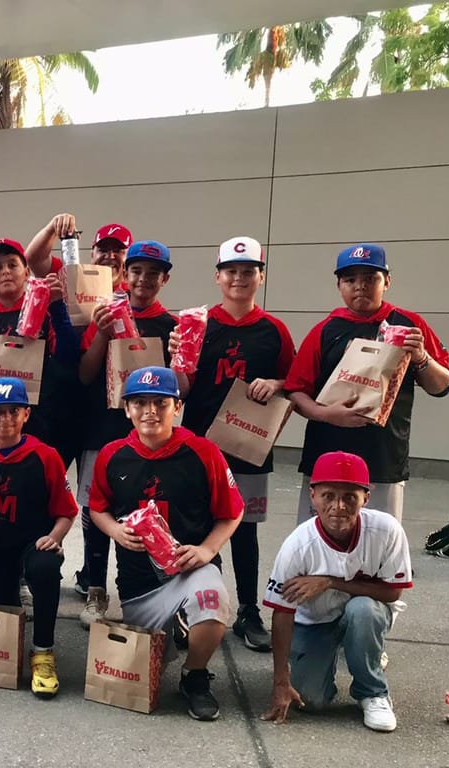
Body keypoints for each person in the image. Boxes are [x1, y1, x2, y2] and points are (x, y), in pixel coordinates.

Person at [89, 366, 244, 721]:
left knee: (212, 601)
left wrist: (207, 550)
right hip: (138, 584)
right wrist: (114, 530)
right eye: (140, 403)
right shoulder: (112, 455)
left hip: (189, 571)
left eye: (160, 402)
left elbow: (232, 511)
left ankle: (195, 675)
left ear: (177, 407)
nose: (150, 411)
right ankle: (176, 629)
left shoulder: (203, 452)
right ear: (126, 408)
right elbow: (97, 508)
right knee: (144, 663)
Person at [171, 237, 295, 652]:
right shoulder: (197, 323)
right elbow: (182, 392)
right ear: (218, 275)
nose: (239, 278)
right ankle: (194, 608)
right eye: (231, 270)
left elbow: (295, 387)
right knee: (195, 526)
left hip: (249, 447)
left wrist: (276, 383)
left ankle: (247, 612)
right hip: (200, 446)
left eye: (248, 270)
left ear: (260, 276)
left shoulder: (274, 330)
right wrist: (177, 364)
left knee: (245, 531)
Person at [285, 243, 449, 523]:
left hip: (384, 457)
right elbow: (296, 391)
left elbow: (442, 385)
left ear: (386, 281)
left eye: (369, 278)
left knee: (380, 542)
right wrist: (326, 414)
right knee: (319, 538)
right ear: (339, 285)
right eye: (350, 279)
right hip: (327, 453)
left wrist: (421, 358)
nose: (360, 286)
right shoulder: (325, 330)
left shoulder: (409, 325)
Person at [261, 451, 413, 733]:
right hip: (315, 621)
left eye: (350, 497)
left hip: (364, 613)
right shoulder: (298, 545)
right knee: (312, 701)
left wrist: (329, 582)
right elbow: (282, 613)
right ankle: (337, 653)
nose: (338, 506)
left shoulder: (387, 530)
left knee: (363, 610)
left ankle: (373, 692)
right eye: (328, 495)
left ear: (366, 497)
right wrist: (281, 682)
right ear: (313, 495)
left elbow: (393, 593)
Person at [74, 240, 177, 630]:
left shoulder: (171, 326)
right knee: (95, 509)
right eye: (136, 271)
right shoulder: (104, 314)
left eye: (153, 273)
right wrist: (102, 333)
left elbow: (180, 385)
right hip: (102, 429)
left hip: (151, 435)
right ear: (124, 274)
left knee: (150, 507)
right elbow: (85, 375)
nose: (143, 280)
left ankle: (155, 586)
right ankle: (96, 590)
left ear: (164, 279)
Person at [0, 377, 79, 699]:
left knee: (45, 568)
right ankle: (7, 642)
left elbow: (67, 511)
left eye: (14, 411)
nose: (5, 419)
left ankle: (43, 653)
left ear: (26, 414)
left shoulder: (45, 456)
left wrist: (55, 537)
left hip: (32, 544)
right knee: (4, 615)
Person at [0, 237, 80, 455]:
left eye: (12, 264)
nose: (5, 271)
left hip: (37, 427)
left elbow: (69, 357)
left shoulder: (46, 313)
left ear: (27, 273)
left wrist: (57, 306)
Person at [26, 214, 132, 291]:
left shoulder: (136, 293)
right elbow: (34, 259)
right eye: (103, 250)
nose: (110, 256)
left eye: (118, 251)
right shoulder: (73, 280)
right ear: (92, 254)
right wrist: (52, 228)